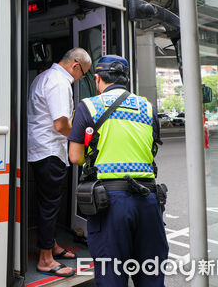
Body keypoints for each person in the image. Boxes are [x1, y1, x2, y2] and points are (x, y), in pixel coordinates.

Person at [68, 55, 168, 286]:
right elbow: (150, 150)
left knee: (112, 275)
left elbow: (75, 156)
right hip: (149, 199)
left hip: (109, 203)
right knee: (151, 276)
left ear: (97, 78)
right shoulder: (148, 106)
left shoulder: (89, 106)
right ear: (127, 79)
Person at [28, 47, 92, 278]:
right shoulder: (59, 82)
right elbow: (60, 124)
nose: (80, 78)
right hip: (50, 151)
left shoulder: (44, 76)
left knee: (49, 203)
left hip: (42, 149)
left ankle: (52, 245)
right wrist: (80, 142)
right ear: (76, 65)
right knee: (49, 205)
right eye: (83, 73)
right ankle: (46, 259)